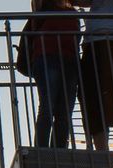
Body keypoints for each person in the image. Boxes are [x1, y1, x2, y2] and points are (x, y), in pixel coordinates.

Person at [76, 0, 113, 151]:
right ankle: (109, 150)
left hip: (105, 39)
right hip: (106, 40)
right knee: (97, 96)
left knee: (99, 95)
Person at [24, 0, 81, 148]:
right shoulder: (45, 7)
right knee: (47, 107)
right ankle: (42, 151)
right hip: (48, 58)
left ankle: (59, 151)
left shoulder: (72, 13)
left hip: (69, 62)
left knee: (64, 112)